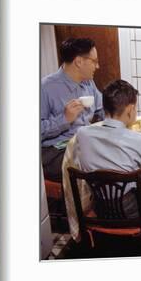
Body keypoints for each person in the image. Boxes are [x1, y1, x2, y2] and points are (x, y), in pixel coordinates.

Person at [75, 80, 141, 255]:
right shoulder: (137, 140)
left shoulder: (82, 134)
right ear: (130, 110)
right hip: (131, 209)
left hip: (100, 205)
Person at [41, 38, 104, 182]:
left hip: (83, 144)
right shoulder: (46, 87)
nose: (98, 66)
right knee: (98, 164)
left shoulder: (88, 82)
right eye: (94, 61)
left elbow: (102, 109)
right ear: (79, 62)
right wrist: (64, 119)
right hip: (55, 152)